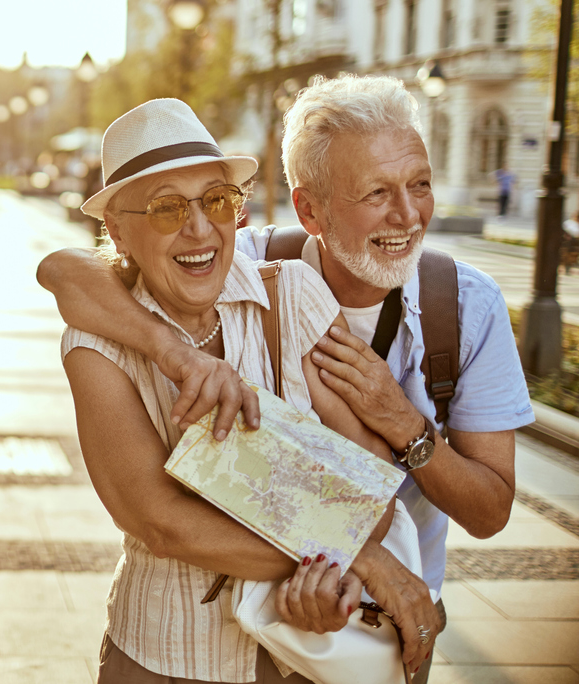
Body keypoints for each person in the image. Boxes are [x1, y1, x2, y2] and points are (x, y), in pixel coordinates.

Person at [40, 75, 534, 684]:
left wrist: (344, 556)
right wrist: (348, 551)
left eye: (217, 200)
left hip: (317, 651)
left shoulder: (291, 290)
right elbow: (158, 522)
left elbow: (371, 492)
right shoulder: (104, 337)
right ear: (118, 230)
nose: (198, 227)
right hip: (164, 654)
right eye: (167, 207)